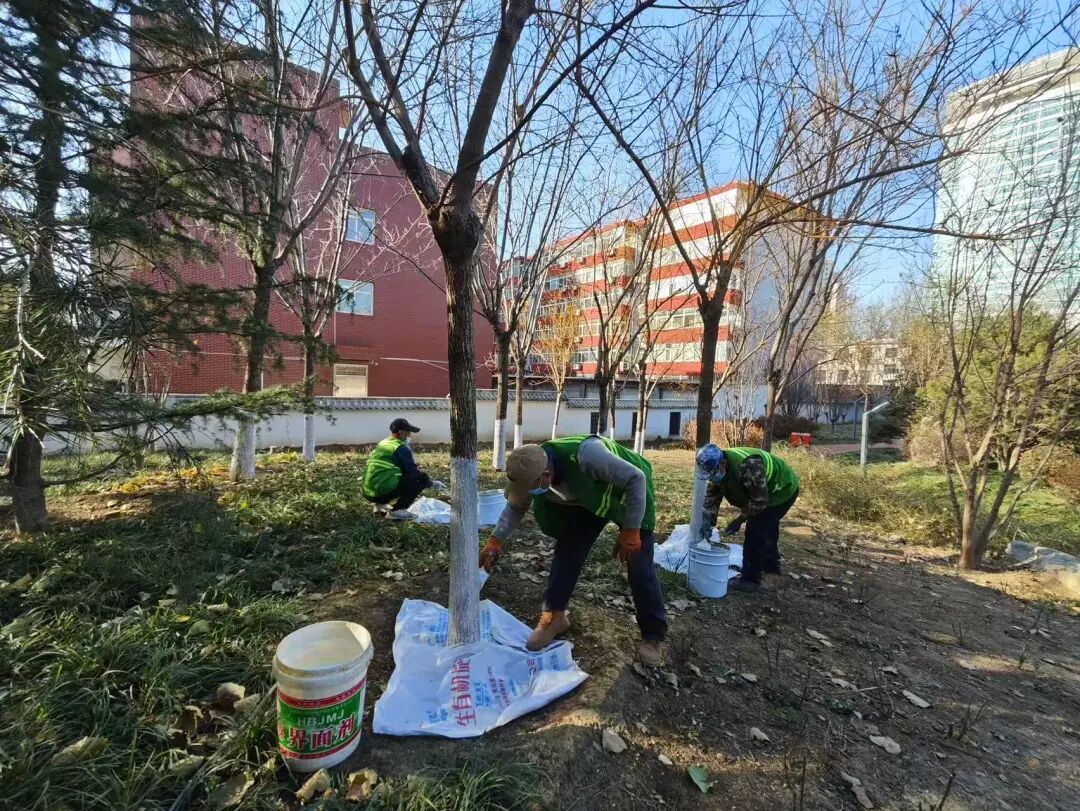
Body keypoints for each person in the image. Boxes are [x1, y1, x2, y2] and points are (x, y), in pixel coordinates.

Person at [480, 434, 667, 666]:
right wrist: (495, 541)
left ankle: (653, 636)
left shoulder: (589, 457)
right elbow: (516, 507)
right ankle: (554, 617)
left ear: (546, 476)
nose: (527, 493)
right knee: (568, 550)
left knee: (639, 565)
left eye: (530, 488)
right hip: (591, 497)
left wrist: (631, 529)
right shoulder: (530, 470)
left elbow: (636, 478)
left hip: (631, 491)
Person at [695, 444, 800, 592]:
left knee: (756, 530)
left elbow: (759, 502)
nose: (712, 477)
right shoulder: (718, 468)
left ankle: (750, 579)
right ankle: (770, 565)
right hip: (763, 492)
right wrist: (707, 520)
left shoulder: (749, 466)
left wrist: (739, 521)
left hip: (782, 489)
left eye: (713, 473)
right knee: (768, 527)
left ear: (723, 463)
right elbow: (713, 495)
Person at [361, 418, 444, 519]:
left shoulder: (383, 443)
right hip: (381, 491)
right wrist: (432, 484)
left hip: (368, 491)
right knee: (420, 479)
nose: (410, 435)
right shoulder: (400, 448)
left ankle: (380, 505)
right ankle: (398, 510)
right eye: (408, 432)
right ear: (401, 432)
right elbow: (413, 473)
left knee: (390, 475)